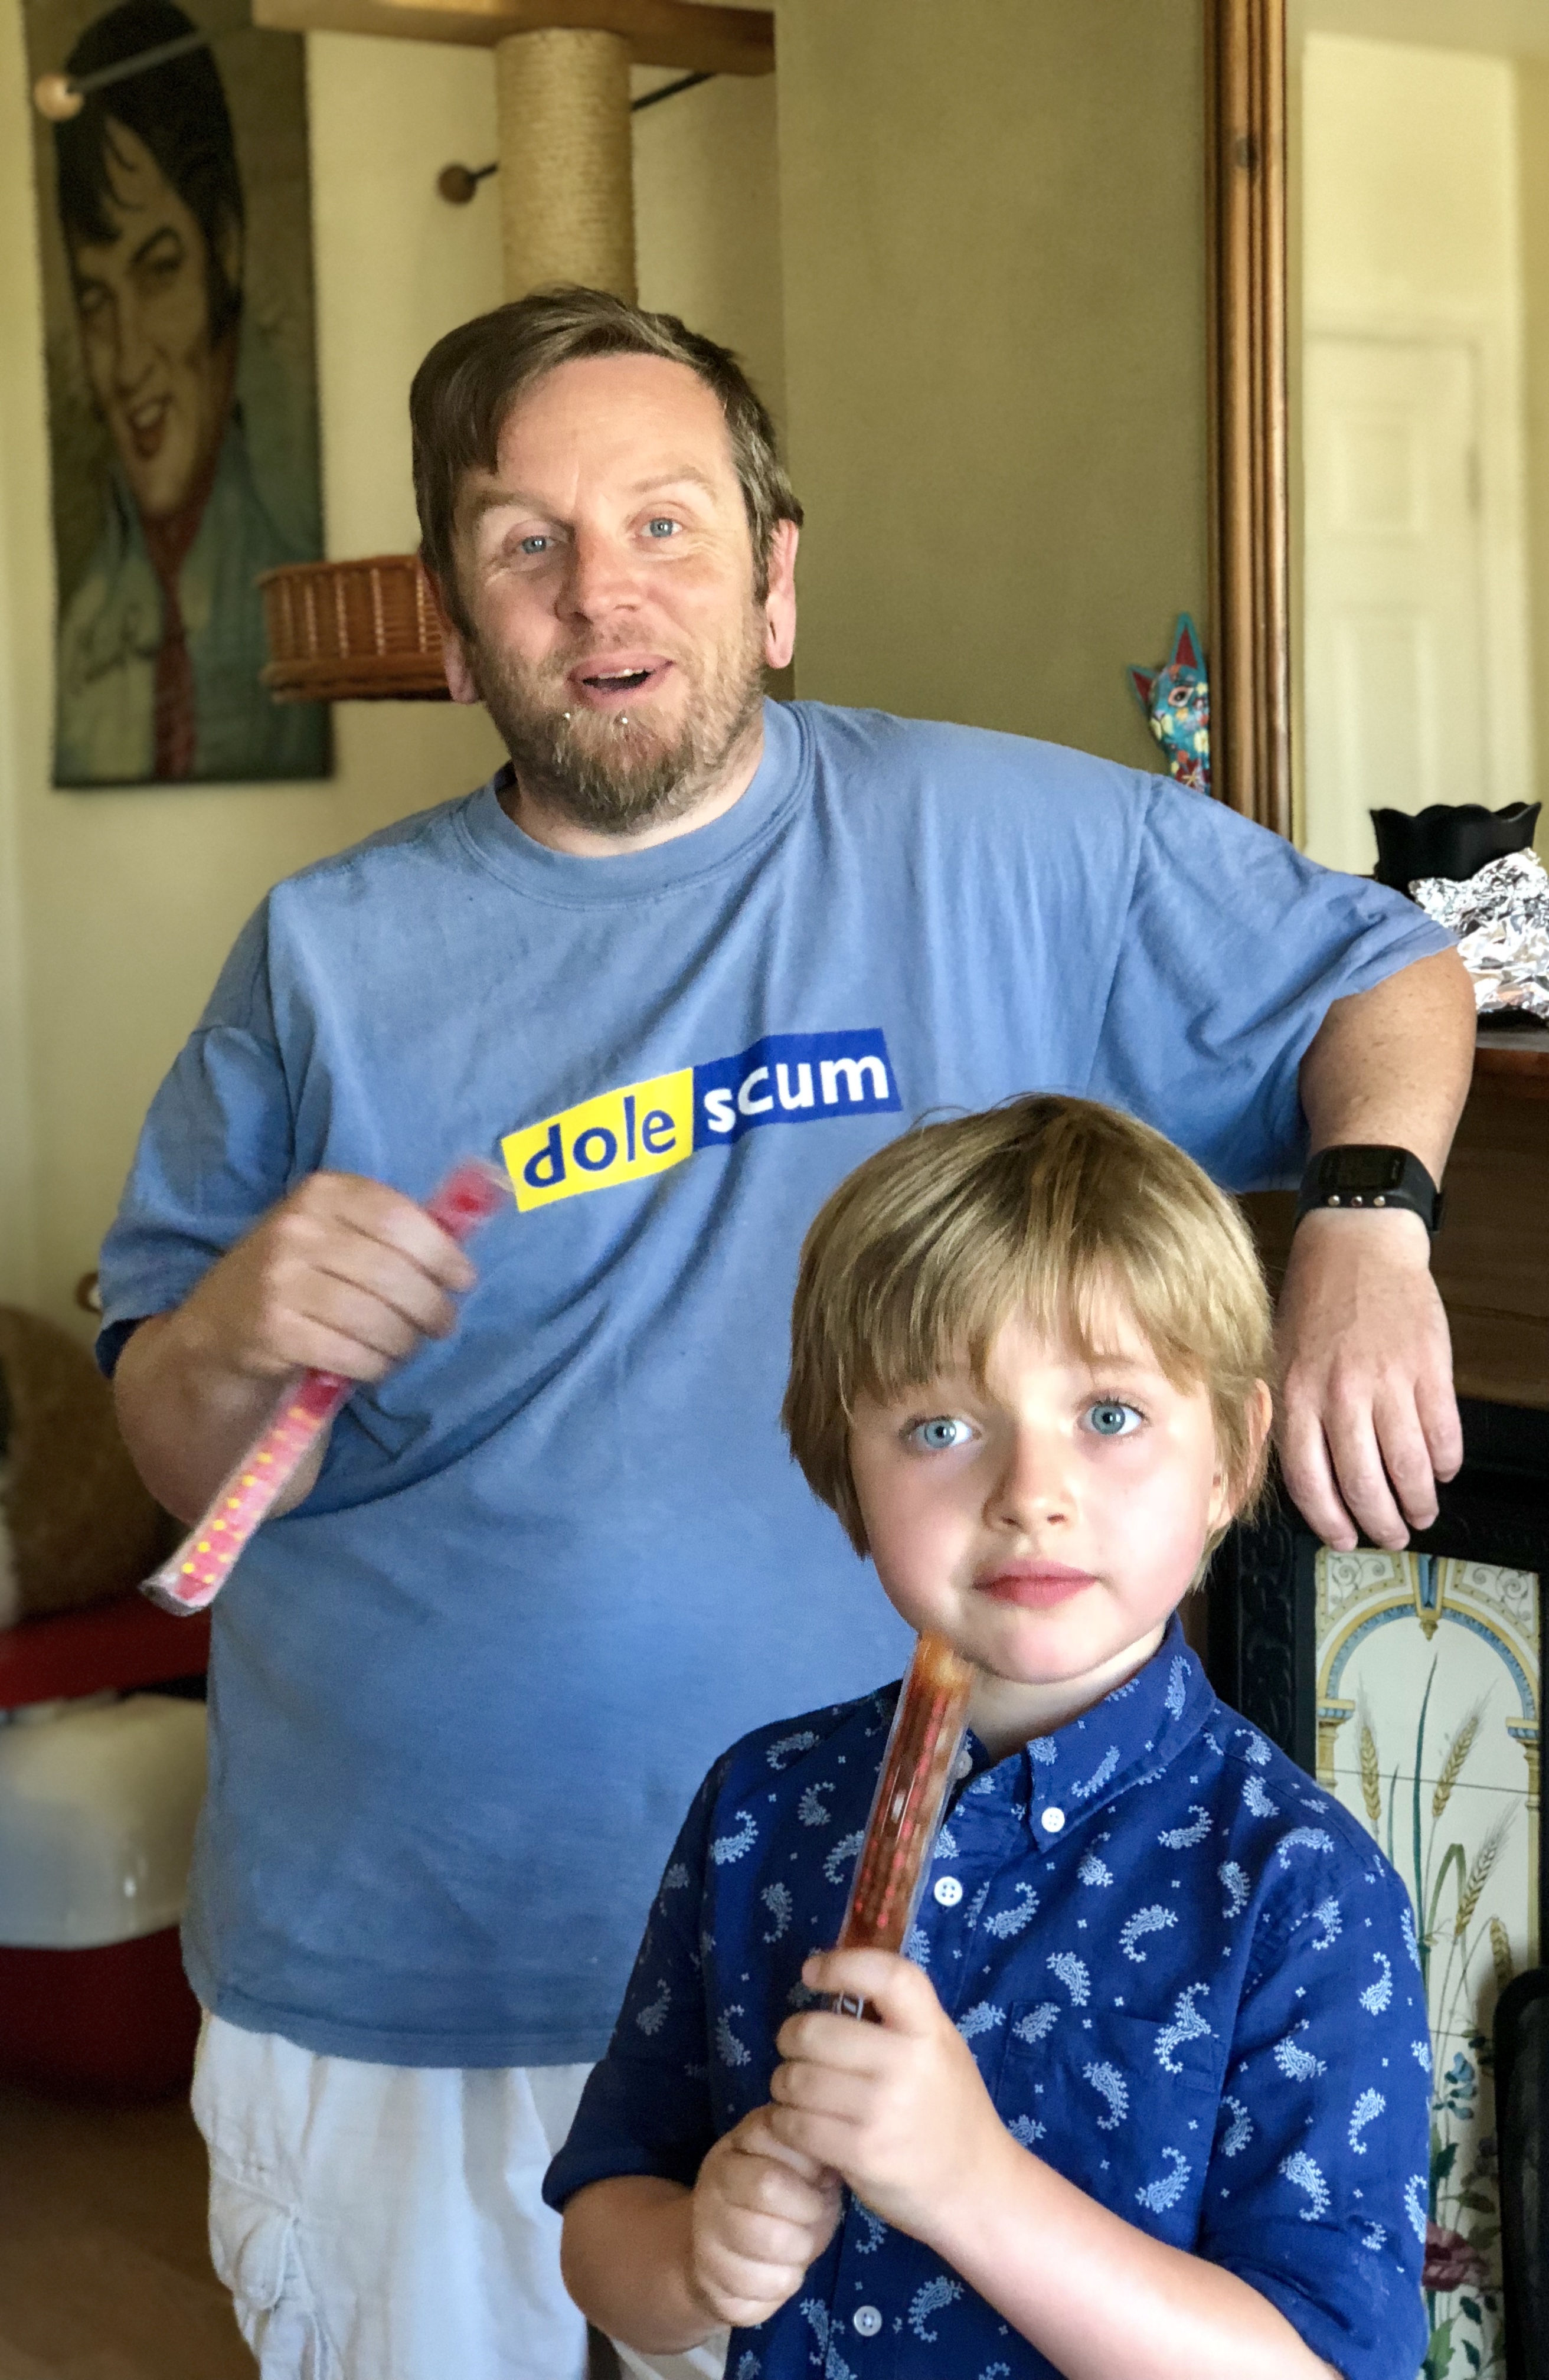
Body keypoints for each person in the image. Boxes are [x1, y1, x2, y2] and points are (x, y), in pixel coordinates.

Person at [99, 285, 1469, 2379]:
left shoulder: (1019, 843)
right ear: (452, 629)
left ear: (775, 580)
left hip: (851, 1988)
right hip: (408, 1978)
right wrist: (225, 1334)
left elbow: (1383, 967)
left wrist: (1366, 1229)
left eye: (665, 522)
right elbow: (179, 1464)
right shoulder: (321, 958)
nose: (603, 592)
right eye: (527, 544)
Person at [549, 1095, 1432, 2380]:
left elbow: (1324, 2366)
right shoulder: (763, 1804)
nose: (1029, 1495)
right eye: (940, 1429)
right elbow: (606, 2221)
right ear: (846, 1476)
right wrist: (692, 2258)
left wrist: (969, 2185)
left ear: (1230, 1459)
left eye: (1110, 1414)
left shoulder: (1301, 1888)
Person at [51, 0, 326, 784]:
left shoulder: (302, 591)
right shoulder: (82, 637)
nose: (127, 359)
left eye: (159, 269)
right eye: (96, 300)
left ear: (225, 250)